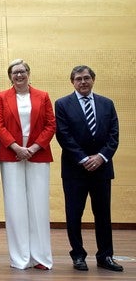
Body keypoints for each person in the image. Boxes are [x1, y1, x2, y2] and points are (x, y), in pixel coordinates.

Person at [55, 65, 123, 272]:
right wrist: (84, 158)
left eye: (86, 78)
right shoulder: (62, 104)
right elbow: (63, 136)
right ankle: (78, 255)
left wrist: (101, 157)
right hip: (75, 169)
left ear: (93, 79)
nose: (83, 82)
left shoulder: (107, 104)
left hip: (102, 168)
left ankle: (105, 256)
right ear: (72, 82)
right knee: (74, 214)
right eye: (78, 79)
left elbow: (114, 134)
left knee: (103, 214)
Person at [0, 59, 55, 270]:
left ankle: (41, 258)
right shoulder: (2, 97)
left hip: (38, 155)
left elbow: (50, 124)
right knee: (15, 207)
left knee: (39, 207)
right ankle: (20, 258)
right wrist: (17, 148)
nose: (19, 75)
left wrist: (34, 148)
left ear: (28, 73)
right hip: (12, 156)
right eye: (14, 72)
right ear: (10, 76)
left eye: (22, 71)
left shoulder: (43, 96)